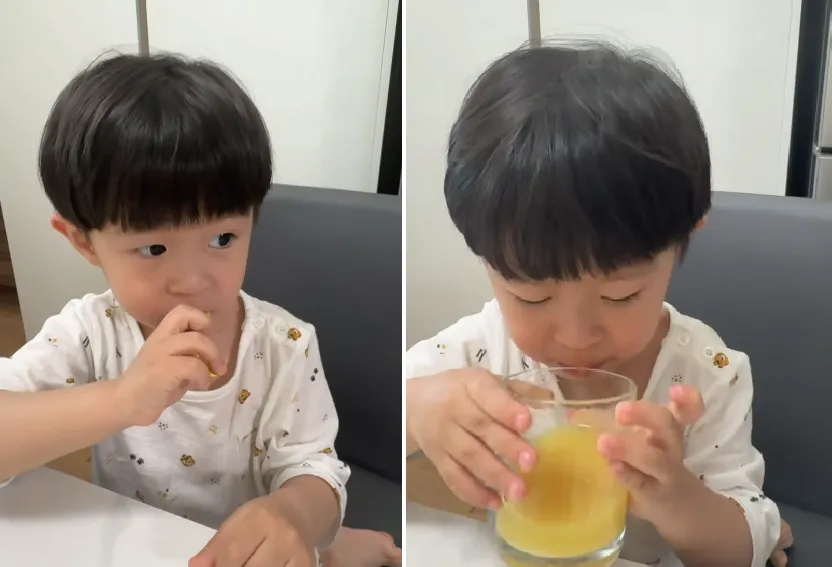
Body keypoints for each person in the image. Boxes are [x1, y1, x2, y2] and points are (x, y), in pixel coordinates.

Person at [0, 54, 400, 567]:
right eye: (153, 249)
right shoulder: (90, 334)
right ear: (83, 242)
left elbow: (316, 471)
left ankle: (345, 546)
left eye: (222, 238)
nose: (192, 281)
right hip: (136, 545)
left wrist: (295, 515)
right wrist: (121, 399)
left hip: (252, 554)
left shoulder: (285, 346)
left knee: (326, 542)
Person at [405, 40, 789, 566]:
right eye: (531, 296)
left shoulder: (707, 378)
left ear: (684, 240)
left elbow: (743, 547)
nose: (576, 336)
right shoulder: (477, 354)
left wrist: (677, 496)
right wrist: (419, 410)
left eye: (620, 295)